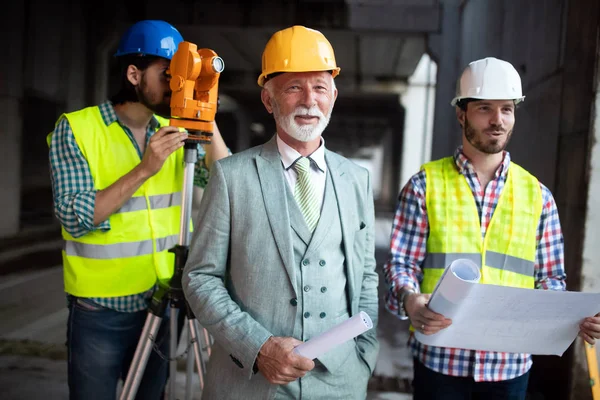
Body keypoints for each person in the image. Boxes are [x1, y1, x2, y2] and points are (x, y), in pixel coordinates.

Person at [383, 56, 600, 399]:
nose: (497, 120)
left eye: (506, 109)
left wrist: (573, 318)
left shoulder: (538, 196)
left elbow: (550, 282)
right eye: (484, 108)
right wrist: (410, 301)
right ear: (461, 114)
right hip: (440, 360)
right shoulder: (425, 185)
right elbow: (401, 266)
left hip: (509, 366)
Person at [182, 25, 379, 399]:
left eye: (320, 87)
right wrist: (259, 347)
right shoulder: (231, 177)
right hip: (251, 383)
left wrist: (364, 355)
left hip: (340, 383)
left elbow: (366, 275)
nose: (309, 100)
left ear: (333, 96)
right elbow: (200, 278)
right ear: (269, 100)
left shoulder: (356, 179)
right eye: (293, 87)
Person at [47, 19, 229, 400]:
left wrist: (203, 108)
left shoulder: (174, 130)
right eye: (168, 74)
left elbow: (225, 184)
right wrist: (146, 169)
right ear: (133, 74)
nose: (175, 84)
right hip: (101, 310)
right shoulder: (77, 129)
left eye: (182, 76)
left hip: (162, 303)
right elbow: (74, 218)